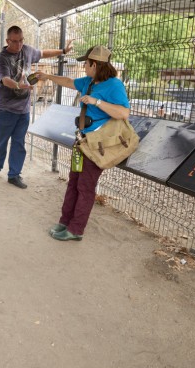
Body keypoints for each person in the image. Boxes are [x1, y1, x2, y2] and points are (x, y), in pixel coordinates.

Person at [35, 45, 130, 241]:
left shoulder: (114, 85)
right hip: (83, 141)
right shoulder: (89, 81)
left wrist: (97, 102)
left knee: (85, 187)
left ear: (94, 64)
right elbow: (69, 82)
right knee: (74, 183)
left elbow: (123, 113)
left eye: (86, 63)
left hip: (98, 143)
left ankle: (76, 229)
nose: (84, 67)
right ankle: (65, 221)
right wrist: (48, 76)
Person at [0, 25, 73, 189]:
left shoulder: (27, 50)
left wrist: (63, 50)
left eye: (21, 40)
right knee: (1, 140)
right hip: (5, 107)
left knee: (19, 142)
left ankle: (14, 175)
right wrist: (19, 86)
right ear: (7, 41)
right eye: (15, 41)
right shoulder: (2, 58)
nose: (19, 44)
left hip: (24, 108)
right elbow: (5, 79)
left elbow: (43, 53)